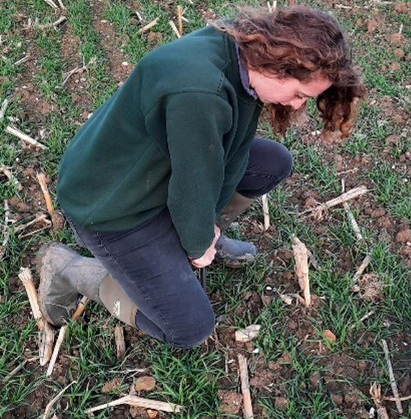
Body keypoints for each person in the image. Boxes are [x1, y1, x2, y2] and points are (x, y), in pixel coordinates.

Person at [37, 6, 365, 348]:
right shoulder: (200, 93)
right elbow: (192, 188)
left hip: (157, 167)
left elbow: (209, 165)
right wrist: (197, 241)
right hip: (111, 204)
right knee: (187, 327)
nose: (297, 106)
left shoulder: (247, 50)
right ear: (277, 65)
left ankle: (194, 239)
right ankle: (70, 269)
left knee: (273, 162)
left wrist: (205, 227)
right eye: (299, 95)